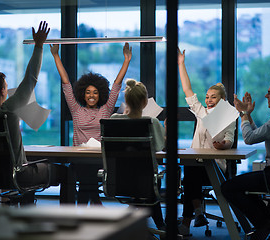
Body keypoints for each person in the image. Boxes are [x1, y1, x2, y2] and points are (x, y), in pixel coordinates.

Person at [0, 22, 68, 204]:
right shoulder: (8, 110)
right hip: (18, 175)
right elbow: (30, 79)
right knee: (66, 171)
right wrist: (39, 46)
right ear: (3, 92)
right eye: (6, 86)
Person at [50, 42, 132, 205]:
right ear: (83, 94)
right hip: (79, 158)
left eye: (95, 92)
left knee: (87, 182)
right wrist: (55, 56)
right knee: (87, 180)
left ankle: (88, 207)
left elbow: (116, 85)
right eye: (88, 92)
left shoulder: (106, 110)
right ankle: (95, 205)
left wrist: (127, 60)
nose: (91, 96)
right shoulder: (76, 109)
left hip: (98, 159)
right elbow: (66, 83)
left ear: (100, 93)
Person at [221, 77, 270, 240]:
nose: (266, 96)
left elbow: (249, 138)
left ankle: (264, 223)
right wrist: (248, 115)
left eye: (269, 93)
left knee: (228, 187)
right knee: (244, 189)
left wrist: (243, 114)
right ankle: (268, 221)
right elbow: (259, 134)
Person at [177, 48, 236, 236]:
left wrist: (223, 145)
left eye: (214, 97)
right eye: (207, 97)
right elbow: (187, 89)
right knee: (190, 171)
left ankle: (189, 221)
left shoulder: (228, 116)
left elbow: (230, 140)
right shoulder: (202, 112)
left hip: (215, 168)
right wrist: (181, 63)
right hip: (197, 165)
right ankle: (197, 212)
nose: (209, 100)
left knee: (190, 176)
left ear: (223, 99)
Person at [111, 78, 166, 231]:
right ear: (145, 102)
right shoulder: (152, 122)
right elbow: (159, 146)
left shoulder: (114, 120)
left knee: (142, 184)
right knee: (149, 185)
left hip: (120, 179)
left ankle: (135, 220)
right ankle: (160, 225)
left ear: (125, 100)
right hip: (147, 180)